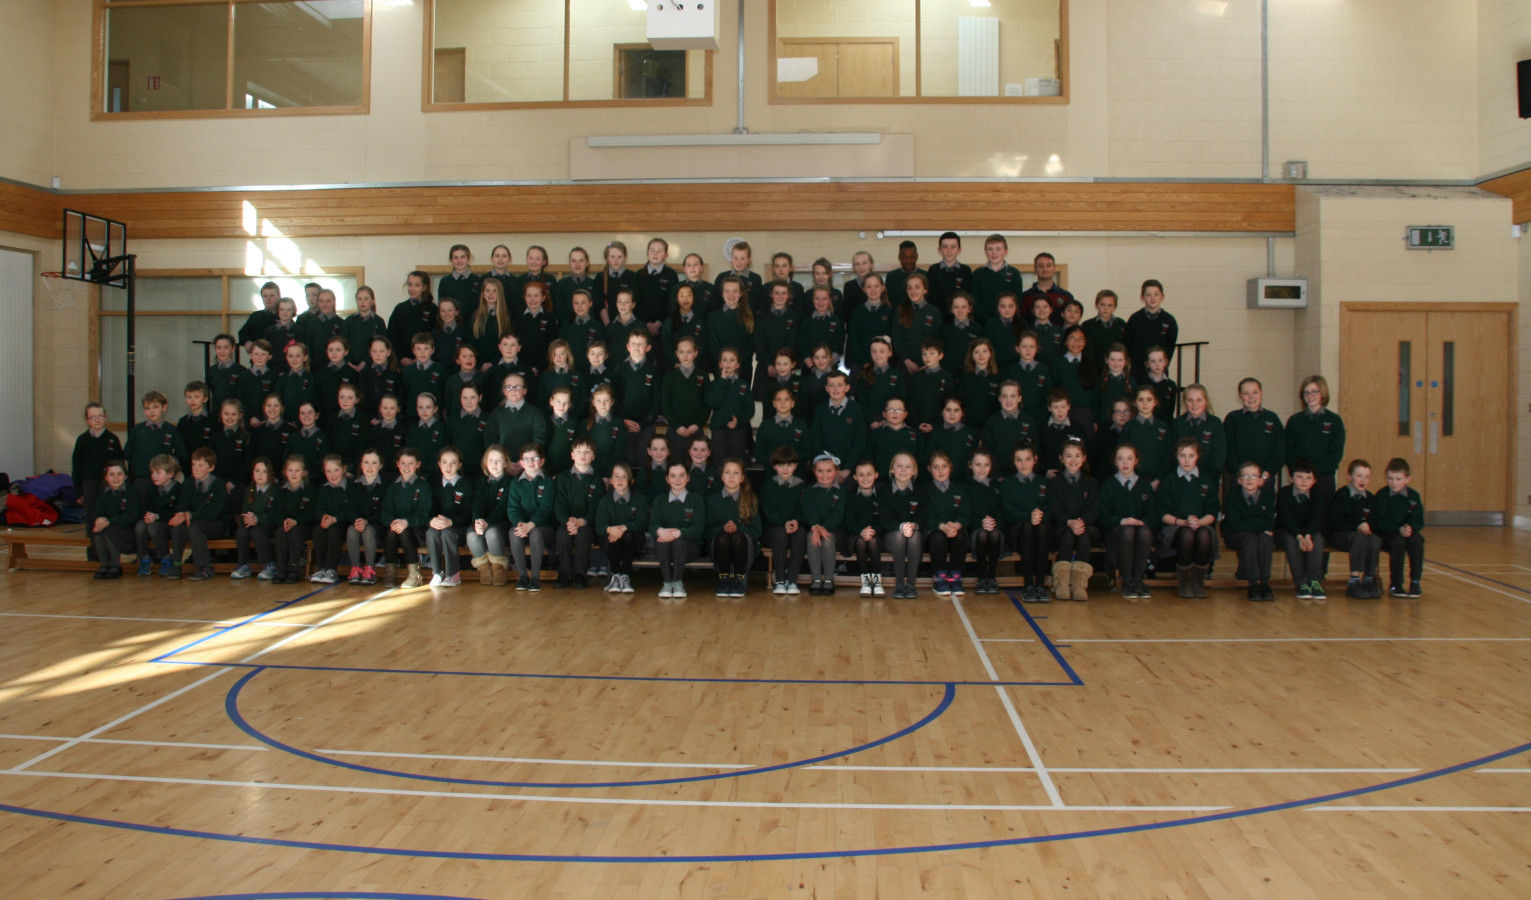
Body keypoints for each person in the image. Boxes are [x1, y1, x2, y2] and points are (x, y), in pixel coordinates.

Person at [1157, 438, 1220, 599]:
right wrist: (1183, 522)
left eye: (1191, 456)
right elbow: (1162, 513)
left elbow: (1213, 511)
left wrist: (1199, 522)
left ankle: (1198, 582)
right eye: (1182, 456)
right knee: (1187, 534)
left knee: (1203, 534)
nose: (1186, 460)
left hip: (1201, 524)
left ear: (1198, 457)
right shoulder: (1169, 480)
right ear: (1176, 457)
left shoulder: (1206, 480)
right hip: (1175, 527)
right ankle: (1184, 582)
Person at [1285, 375, 1346, 524]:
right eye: (1306, 392)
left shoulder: (1334, 421)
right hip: (1299, 480)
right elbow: (1288, 450)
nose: (1310, 396)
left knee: (1322, 521)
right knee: (1300, 520)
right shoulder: (1295, 421)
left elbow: (1335, 453)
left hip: (1324, 479)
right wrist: (1301, 474)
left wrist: (1313, 474)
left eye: (1314, 392)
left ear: (1323, 393)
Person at [1100, 443, 1156, 601]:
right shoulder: (1108, 486)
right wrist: (1121, 521)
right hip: (1116, 533)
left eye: (1129, 458)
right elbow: (1102, 518)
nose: (1125, 463)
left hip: (1139, 531)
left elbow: (1153, 514)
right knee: (1127, 530)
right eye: (1121, 459)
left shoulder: (1144, 486)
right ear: (1115, 462)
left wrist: (1141, 522)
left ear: (1136, 461)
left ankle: (1138, 580)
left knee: (1144, 531)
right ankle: (1127, 581)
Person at [1048, 439, 1099, 601]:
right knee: (1068, 535)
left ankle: (1079, 584)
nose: (1073, 460)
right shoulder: (1055, 483)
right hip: (1062, 527)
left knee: (1083, 535)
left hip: (1085, 527)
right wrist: (1069, 522)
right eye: (1068, 456)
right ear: (1061, 458)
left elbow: (1094, 509)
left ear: (1084, 458)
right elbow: (1055, 510)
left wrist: (1082, 522)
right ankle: (1062, 584)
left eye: (1077, 456)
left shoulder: (1091, 482)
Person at [1001, 443, 1052, 603]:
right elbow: (1008, 512)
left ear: (1035, 459)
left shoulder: (1045, 482)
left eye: (1028, 459)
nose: (1024, 464)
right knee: (1027, 527)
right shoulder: (1007, 484)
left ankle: (1040, 585)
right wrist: (1028, 516)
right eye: (1019, 460)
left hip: (1041, 530)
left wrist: (1040, 516)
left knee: (1041, 527)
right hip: (1018, 533)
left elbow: (1051, 508)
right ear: (1013, 461)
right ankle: (1028, 584)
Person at [170, 446, 229, 582]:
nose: (195, 469)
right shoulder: (188, 483)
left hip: (216, 524)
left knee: (194, 527)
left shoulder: (219, 484)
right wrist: (182, 515)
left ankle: (205, 567)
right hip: (192, 520)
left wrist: (191, 515)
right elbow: (183, 504)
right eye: (194, 465)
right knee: (178, 527)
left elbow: (213, 512)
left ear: (211, 467)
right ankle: (176, 565)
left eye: (200, 465)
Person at [553, 438, 606, 589]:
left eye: (587, 452)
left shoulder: (598, 481)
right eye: (579, 451)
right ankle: (564, 573)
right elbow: (559, 505)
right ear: (572, 455)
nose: (583, 455)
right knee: (562, 535)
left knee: (583, 536)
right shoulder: (562, 478)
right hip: (567, 522)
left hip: (586, 523)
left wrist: (581, 522)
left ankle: (580, 574)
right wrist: (568, 522)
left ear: (593, 456)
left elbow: (595, 509)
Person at [1223, 461, 1277, 601]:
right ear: (1239, 480)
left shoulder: (1267, 496)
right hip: (1235, 536)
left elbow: (1270, 522)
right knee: (1250, 538)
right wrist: (1259, 523)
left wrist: (1248, 520)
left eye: (1253, 476)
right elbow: (1235, 525)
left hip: (1258, 535)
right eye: (1245, 476)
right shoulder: (1232, 497)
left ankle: (1264, 583)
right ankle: (1252, 583)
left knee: (1265, 539)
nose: (1249, 479)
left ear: (1260, 480)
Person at [651, 462, 706, 600]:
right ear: (667, 479)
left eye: (682, 475)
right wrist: (660, 531)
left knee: (679, 541)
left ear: (688, 478)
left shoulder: (696, 500)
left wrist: (677, 533)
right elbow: (652, 525)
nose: (677, 480)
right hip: (665, 548)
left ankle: (678, 582)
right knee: (661, 540)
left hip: (689, 548)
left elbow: (698, 528)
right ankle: (667, 583)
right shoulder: (659, 500)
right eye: (673, 476)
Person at [707, 458, 760, 598]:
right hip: (719, 545)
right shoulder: (712, 500)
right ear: (722, 476)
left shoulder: (751, 499)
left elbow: (757, 531)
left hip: (745, 546)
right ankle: (724, 579)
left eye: (736, 473)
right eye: (727, 472)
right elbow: (706, 531)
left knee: (737, 536)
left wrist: (738, 528)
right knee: (723, 537)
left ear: (742, 478)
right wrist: (722, 528)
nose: (731, 476)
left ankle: (739, 579)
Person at [1329, 458, 1382, 599]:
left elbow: (1376, 521)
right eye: (1359, 476)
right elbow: (1335, 522)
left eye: (1367, 477)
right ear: (1349, 476)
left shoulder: (1370, 499)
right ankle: (1354, 580)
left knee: (1375, 539)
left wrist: (1369, 527)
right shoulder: (1341, 495)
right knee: (1359, 538)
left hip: (1363, 535)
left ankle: (1369, 579)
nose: (1363, 480)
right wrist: (1357, 527)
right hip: (1342, 535)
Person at [1276, 459, 1327, 603]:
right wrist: (1299, 536)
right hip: (1286, 530)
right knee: (1290, 541)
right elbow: (1286, 518)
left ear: (1314, 480)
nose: (1304, 481)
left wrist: (1308, 535)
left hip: (1308, 531)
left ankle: (1314, 581)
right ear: (1291, 478)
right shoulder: (1284, 493)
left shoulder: (1317, 494)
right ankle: (1301, 582)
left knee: (1318, 539)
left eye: (1308, 478)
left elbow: (1316, 518)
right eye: (1299, 477)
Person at [1223, 378, 1284, 498]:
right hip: (1238, 480)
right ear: (1240, 396)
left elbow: (1280, 451)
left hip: (1265, 480)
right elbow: (1227, 450)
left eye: (1255, 392)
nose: (1251, 397)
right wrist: (1242, 475)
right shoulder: (1232, 419)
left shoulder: (1272, 418)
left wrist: (1265, 475)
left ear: (1261, 393)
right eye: (1246, 393)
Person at [381, 447, 433, 588]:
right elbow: (385, 513)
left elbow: (424, 514)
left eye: (411, 463)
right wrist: (395, 523)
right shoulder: (393, 487)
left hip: (417, 531)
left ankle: (414, 574)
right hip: (396, 531)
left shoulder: (423, 486)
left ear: (418, 464)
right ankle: (390, 572)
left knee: (404, 531)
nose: (406, 467)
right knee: (391, 532)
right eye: (403, 463)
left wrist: (406, 522)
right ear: (397, 464)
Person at [506, 443, 555, 592]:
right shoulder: (516, 483)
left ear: (542, 461)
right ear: (521, 463)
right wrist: (520, 524)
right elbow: (513, 508)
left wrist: (531, 524)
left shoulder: (548, 482)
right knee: (513, 532)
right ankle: (522, 576)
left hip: (544, 528)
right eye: (526, 459)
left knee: (536, 533)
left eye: (535, 458)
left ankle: (535, 578)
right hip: (524, 526)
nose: (531, 462)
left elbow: (545, 508)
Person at [125, 390, 189, 503]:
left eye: (155, 407)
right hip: (142, 478)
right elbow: (127, 452)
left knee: (163, 506)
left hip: (164, 480)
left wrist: (169, 468)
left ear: (164, 407)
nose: (152, 411)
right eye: (147, 408)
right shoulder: (137, 430)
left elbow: (182, 454)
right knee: (142, 507)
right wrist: (139, 466)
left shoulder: (171, 430)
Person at [1375, 457, 1425, 599]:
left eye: (1398, 479)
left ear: (1407, 479)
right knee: (1398, 543)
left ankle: (1415, 582)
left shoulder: (1413, 496)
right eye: (1390, 479)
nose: (1394, 483)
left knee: (1416, 541)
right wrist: (1398, 529)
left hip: (1407, 532)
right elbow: (1379, 522)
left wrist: (1410, 527)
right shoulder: (1382, 495)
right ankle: (1396, 583)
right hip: (1388, 534)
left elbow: (1419, 520)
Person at [72, 403, 123, 538]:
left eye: (100, 416)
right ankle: (92, 547)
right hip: (89, 484)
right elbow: (77, 467)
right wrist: (79, 492)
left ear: (106, 417)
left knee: (109, 512)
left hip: (109, 483)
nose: (97, 420)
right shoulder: (82, 440)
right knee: (91, 515)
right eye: (93, 417)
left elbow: (120, 463)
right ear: (87, 420)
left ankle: (109, 546)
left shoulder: (112, 439)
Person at [762, 446, 808, 595]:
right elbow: (769, 512)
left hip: (795, 526)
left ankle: (792, 579)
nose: (785, 469)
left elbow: (805, 510)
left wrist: (796, 521)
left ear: (795, 466)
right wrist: (783, 523)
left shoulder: (802, 486)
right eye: (781, 465)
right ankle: (780, 579)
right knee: (779, 533)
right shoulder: (768, 486)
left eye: (789, 464)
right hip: (774, 528)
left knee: (801, 533)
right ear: (774, 466)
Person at [596, 462, 647, 593]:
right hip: (610, 542)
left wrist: (624, 528)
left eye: (624, 477)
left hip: (634, 542)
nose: (620, 480)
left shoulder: (639, 499)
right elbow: (599, 527)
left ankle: (625, 576)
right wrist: (610, 530)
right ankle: (615, 576)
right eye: (616, 476)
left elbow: (642, 523)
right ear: (611, 481)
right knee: (613, 537)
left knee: (627, 535)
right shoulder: (604, 501)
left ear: (631, 481)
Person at [465, 444, 513, 585]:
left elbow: (503, 508)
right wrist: (478, 521)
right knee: (472, 535)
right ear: (486, 462)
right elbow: (477, 504)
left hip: (501, 523)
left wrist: (488, 523)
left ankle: (498, 569)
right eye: (491, 460)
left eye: (499, 460)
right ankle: (484, 569)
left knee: (492, 533)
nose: (494, 464)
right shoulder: (481, 481)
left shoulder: (510, 482)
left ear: (506, 463)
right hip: (483, 521)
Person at [801, 452, 847, 595]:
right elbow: (810, 511)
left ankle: (828, 579)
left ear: (836, 471)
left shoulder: (842, 491)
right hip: (815, 528)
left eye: (829, 471)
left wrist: (824, 528)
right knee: (812, 537)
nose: (824, 475)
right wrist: (816, 527)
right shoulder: (809, 490)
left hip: (836, 530)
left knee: (827, 539)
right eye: (820, 471)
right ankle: (816, 579)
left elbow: (837, 515)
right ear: (814, 471)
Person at [880, 452, 924, 599]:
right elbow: (884, 520)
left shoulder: (920, 491)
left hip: (912, 536)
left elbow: (923, 517)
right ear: (892, 469)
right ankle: (899, 584)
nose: (903, 470)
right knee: (899, 536)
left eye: (908, 467)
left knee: (915, 536)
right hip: (892, 537)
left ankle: (911, 584)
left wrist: (913, 526)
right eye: (899, 466)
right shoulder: (884, 491)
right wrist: (901, 526)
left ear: (914, 471)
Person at [811, 371, 867, 484]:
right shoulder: (820, 410)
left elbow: (859, 442)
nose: (835, 389)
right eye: (831, 385)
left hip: (849, 470)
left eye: (840, 385)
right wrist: (828, 468)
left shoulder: (856, 409)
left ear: (847, 387)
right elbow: (816, 440)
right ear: (826, 388)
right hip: (825, 471)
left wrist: (848, 468)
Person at [1172, 384, 1227, 494]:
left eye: (1199, 400)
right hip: (1182, 478)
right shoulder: (1177, 423)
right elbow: (1173, 451)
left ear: (1206, 401)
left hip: (1208, 478)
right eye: (1190, 400)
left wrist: (1205, 475)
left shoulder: (1215, 423)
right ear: (1185, 402)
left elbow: (1219, 454)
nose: (1194, 404)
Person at [661, 336, 710, 461]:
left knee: (696, 463)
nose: (685, 356)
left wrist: (697, 425)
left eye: (689, 352)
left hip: (696, 429)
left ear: (696, 353)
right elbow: (665, 404)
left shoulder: (703, 376)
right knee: (675, 464)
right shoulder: (670, 376)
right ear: (676, 354)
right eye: (681, 352)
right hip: (675, 429)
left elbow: (707, 404)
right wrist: (676, 425)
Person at [488, 374, 548, 475]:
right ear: (504, 391)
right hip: (502, 467)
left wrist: (524, 461)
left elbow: (539, 438)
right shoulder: (497, 413)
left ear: (525, 390)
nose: (513, 390)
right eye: (509, 387)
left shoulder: (534, 412)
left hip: (529, 466)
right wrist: (506, 463)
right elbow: (490, 439)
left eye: (518, 387)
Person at [844, 460, 888, 597]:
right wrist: (861, 532)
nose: (865, 478)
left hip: (876, 536)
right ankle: (866, 582)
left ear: (876, 475)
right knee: (861, 541)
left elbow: (884, 520)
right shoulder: (851, 496)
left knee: (873, 541)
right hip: (856, 536)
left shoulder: (882, 496)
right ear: (855, 477)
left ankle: (877, 581)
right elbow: (848, 522)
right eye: (861, 475)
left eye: (869, 474)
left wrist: (873, 531)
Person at [272, 455, 316, 585]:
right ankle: (281, 567)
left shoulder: (310, 490)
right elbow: (276, 512)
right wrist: (284, 521)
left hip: (303, 526)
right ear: (285, 473)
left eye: (297, 470)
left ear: (304, 473)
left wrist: (296, 522)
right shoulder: (280, 491)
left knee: (295, 532)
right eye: (290, 470)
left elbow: (311, 514)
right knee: (279, 532)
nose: (294, 474)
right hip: (285, 524)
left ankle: (294, 567)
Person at [134, 454, 181, 579]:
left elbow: (177, 513)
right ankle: (144, 558)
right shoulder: (151, 489)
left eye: (158, 472)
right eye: (152, 472)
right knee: (140, 526)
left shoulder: (179, 489)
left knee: (154, 528)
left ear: (170, 474)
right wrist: (148, 517)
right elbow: (148, 508)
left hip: (170, 524)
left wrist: (158, 516)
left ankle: (166, 558)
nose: (154, 476)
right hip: (155, 521)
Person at [704, 348, 754, 463]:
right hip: (718, 429)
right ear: (720, 364)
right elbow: (713, 402)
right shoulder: (714, 384)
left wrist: (738, 419)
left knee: (736, 461)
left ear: (737, 365)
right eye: (725, 360)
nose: (728, 363)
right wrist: (722, 381)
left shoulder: (743, 385)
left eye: (732, 360)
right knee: (719, 461)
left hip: (738, 429)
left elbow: (750, 410)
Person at [231, 458, 277, 581]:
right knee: (241, 532)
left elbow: (275, 514)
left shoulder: (275, 490)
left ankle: (269, 564)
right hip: (252, 522)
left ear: (270, 473)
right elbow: (245, 510)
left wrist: (258, 518)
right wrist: (247, 519)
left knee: (258, 532)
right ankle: (243, 565)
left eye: (264, 471)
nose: (260, 474)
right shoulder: (249, 489)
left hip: (268, 523)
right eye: (257, 471)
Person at [965, 450, 1004, 595]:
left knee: (994, 534)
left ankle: (992, 577)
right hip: (975, 532)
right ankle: (981, 577)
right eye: (978, 465)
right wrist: (981, 523)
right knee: (982, 534)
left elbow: (1002, 513)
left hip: (995, 531)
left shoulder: (996, 486)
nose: (982, 469)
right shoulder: (964, 486)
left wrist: (993, 523)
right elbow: (965, 515)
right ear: (970, 465)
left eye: (986, 465)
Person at [345, 450, 387, 585]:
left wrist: (367, 521)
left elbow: (384, 511)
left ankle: (370, 569)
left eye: (374, 463)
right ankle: (355, 568)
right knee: (351, 530)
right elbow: (349, 509)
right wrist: (358, 520)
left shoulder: (386, 485)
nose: (370, 467)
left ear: (380, 465)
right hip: (358, 524)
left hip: (377, 527)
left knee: (368, 530)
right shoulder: (353, 485)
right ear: (361, 465)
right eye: (366, 462)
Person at [1124, 279, 1178, 381]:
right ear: (1142, 297)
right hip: (1138, 371)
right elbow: (1127, 343)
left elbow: (1170, 346)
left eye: (1156, 294)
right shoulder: (1135, 319)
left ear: (1162, 297)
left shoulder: (1169, 320)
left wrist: (1162, 364)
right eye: (1148, 295)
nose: (1152, 298)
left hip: (1159, 371)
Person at [309, 454, 351, 585]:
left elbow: (351, 510)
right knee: (318, 530)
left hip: (344, 523)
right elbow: (318, 509)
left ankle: (331, 569)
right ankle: (320, 568)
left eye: (336, 470)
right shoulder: (323, 488)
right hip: (328, 522)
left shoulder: (352, 486)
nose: (333, 475)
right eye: (328, 471)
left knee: (334, 531)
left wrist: (335, 519)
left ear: (344, 469)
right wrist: (324, 517)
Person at [983, 382, 1036, 478]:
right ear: (999, 398)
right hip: (999, 474)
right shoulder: (992, 421)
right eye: (1004, 396)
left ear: (1019, 398)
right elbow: (987, 451)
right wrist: (997, 475)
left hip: (1023, 473)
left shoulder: (1028, 421)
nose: (1008, 400)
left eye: (1013, 396)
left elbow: (1035, 449)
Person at [1122, 385, 1173, 483]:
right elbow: (1123, 453)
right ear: (1135, 402)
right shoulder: (1129, 427)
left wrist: (1158, 479)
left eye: (1149, 400)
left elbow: (1168, 455)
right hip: (1134, 479)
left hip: (1159, 480)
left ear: (1155, 402)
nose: (1145, 403)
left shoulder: (1163, 426)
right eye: (1141, 400)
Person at [892, 273, 941, 372]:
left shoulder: (934, 312)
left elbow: (937, 340)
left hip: (928, 364)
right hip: (904, 364)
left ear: (925, 289)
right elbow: (896, 338)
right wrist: (906, 360)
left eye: (917, 287)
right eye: (909, 288)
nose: (913, 291)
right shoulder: (900, 310)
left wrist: (928, 362)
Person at [845, 273, 894, 372]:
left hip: (884, 364)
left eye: (876, 286)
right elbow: (853, 340)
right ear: (863, 289)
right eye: (869, 287)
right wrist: (864, 363)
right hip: (860, 364)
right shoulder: (857, 312)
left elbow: (892, 338)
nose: (873, 290)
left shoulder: (890, 312)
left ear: (883, 288)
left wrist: (882, 360)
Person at [971, 234, 1024, 322]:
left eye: (998, 249)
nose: (994, 253)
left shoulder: (1014, 273)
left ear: (1005, 252)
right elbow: (974, 300)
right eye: (990, 249)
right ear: (985, 252)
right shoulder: (978, 274)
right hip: (983, 323)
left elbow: (1017, 300)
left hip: (1007, 322)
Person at [387, 271, 439, 360]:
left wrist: (421, 357)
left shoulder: (433, 309)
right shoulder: (400, 309)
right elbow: (391, 336)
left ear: (424, 287)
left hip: (425, 359)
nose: (412, 289)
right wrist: (401, 358)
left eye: (417, 285)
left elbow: (436, 337)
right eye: (410, 285)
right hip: (402, 361)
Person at [907, 340, 954, 434]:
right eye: (924, 354)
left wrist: (936, 424)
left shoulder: (947, 377)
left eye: (931, 353)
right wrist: (917, 423)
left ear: (940, 356)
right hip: (917, 426)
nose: (927, 357)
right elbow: (910, 402)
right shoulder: (916, 377)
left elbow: (949, 404)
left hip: (940, 427)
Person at [927, 397, 980, 477]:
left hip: (965, 479)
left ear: (962, 413)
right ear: (942, 412)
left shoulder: (970, 433)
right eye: (948, 410)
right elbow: (929, 459)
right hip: (941, 478)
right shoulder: (935, 433)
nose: (952, 414)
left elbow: (974, 459)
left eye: (956, 410)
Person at [868, 398, 920, 477]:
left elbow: (921, 460)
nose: (895, 413)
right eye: (891, 410)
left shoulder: (915, 434)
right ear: (884, 414)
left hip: (908, 480)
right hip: (881, 480)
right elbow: (869, 459)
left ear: (905, 414)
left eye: (899, 410)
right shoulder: (876, 434)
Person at [1019, 252, 1074, 324]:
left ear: (1054, 268)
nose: (1045, 269)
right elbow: (1021, 323)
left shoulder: (1066, 296)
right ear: (1035, 269)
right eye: (1041, 266)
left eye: (1048, 265)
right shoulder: (1025, 297)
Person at [925, 232, 972, 317]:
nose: (949, 250)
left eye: (953, 247)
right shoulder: (933, 270)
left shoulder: (966, 271)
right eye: (945, 247)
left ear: (959, 250)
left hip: (959, 318)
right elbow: (930, 298)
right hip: (938, 317)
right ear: (939, 250)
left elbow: (968, 297)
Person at [343, 286, 389, 368]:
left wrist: (365, 362)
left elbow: (382, 345)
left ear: (373, 300)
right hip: (350, 365)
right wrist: (349, 362)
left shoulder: (378, 322)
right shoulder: (349, 321)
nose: (362, 302)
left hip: (372, 365)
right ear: (356, 301)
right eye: (359, 299)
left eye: (366, 298)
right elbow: (343, 344)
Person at [359, 337, 402, 421]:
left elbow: (400, 398)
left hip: (392, 420)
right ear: (370, 353)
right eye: (374, 351)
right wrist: (371, 418)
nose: (378, 355)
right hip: (370, 420)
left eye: (381, 351)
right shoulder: (364, 373)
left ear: (388, 352)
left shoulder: (397, 373)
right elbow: (363, 398)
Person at [437, 244, 481, 323]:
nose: (459, 261)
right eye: (455, 257)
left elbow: (480, 306)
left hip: (474, 324)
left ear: (468, 259)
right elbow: (442, 306)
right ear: (451, 260)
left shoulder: (477, 280)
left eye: (462, 257)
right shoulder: (445, 281)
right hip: (452, 324)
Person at [939, 293, 982, 374]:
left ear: (970, 309)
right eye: (956, 307)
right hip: (950, 373)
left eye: (964, 307)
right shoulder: (944, 330)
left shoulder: (978, 329)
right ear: (951, 309)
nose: (960, 310)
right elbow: (942, 353)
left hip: (971, 372)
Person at [1093, 345, 1135, 426]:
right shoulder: (1100, 381)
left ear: (1125, 361)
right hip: (1104, 424)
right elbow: (1095, 403)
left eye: (1120, 360)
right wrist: (1094, 421)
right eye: (1112, 360)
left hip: (1126, 424)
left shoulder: (1131, 382)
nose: (1116, 364)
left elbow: (1134, 406)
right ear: (1106, 360)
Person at [1081, 290, 1126, 363]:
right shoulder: (1087, 325)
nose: (1106, 308)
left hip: (1117, 365)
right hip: (1096, 366)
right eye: (1102, 304)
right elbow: (1087, 351)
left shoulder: (1121, 324)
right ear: (1096, 305)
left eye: (1110, 305)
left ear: (1115, 307)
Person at [238, 281, 282, 351]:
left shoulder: (284, 316)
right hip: (258, 355)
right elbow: (243, 333)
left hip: (279, 356)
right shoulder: (255, 316)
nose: (268, 299)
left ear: (279, 297)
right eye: (265, 296)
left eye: (272, 295)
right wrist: (247, 342)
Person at [884, 240, 925, 307]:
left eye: (912, 257)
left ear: (916, 257)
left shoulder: (926, 275)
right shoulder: (892, 276)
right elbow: (891, 300)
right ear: (899, 257)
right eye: (904, 258)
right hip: (898, 312)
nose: (908, 261)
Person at [178, 381, 215, 454]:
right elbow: (180, 446)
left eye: (196, 397)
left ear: (205, 399)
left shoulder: (213, 420)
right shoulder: (182, 422)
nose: (192, 400)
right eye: (189, 397)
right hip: (187, 460)